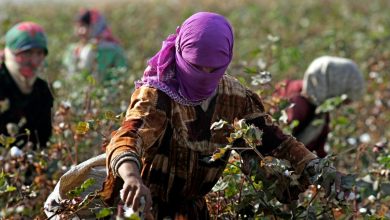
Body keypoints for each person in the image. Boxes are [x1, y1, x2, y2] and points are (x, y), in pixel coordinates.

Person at [99, 12, 341, 219]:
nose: (204, 75)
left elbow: (275, 142)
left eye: (213, 69)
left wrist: (316, 168)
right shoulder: (158, 94)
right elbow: (129, 137)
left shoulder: (234, 97)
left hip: (193, 212)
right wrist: (132, 178)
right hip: (143, 207)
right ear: (181, 52)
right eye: (195, 67)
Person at [273, 56, 365, 157]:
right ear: (333, 86)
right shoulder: (295, 104)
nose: (344, 104)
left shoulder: (319, 112)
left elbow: (318, 151)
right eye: (344, 99)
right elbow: (276, 145)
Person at [0, 21, 53, 150]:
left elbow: (42, 138)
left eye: (39, 53)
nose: (34, 62)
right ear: (11, 53)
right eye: (27, 53)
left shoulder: (42, 90)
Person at [62, 9, 128, 82]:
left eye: (85, 26)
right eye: (78, 26)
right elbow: (68, 75)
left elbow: (120, 76)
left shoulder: (112, 49)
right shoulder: (73, 49)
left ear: (97, 26)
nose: (80, 31)